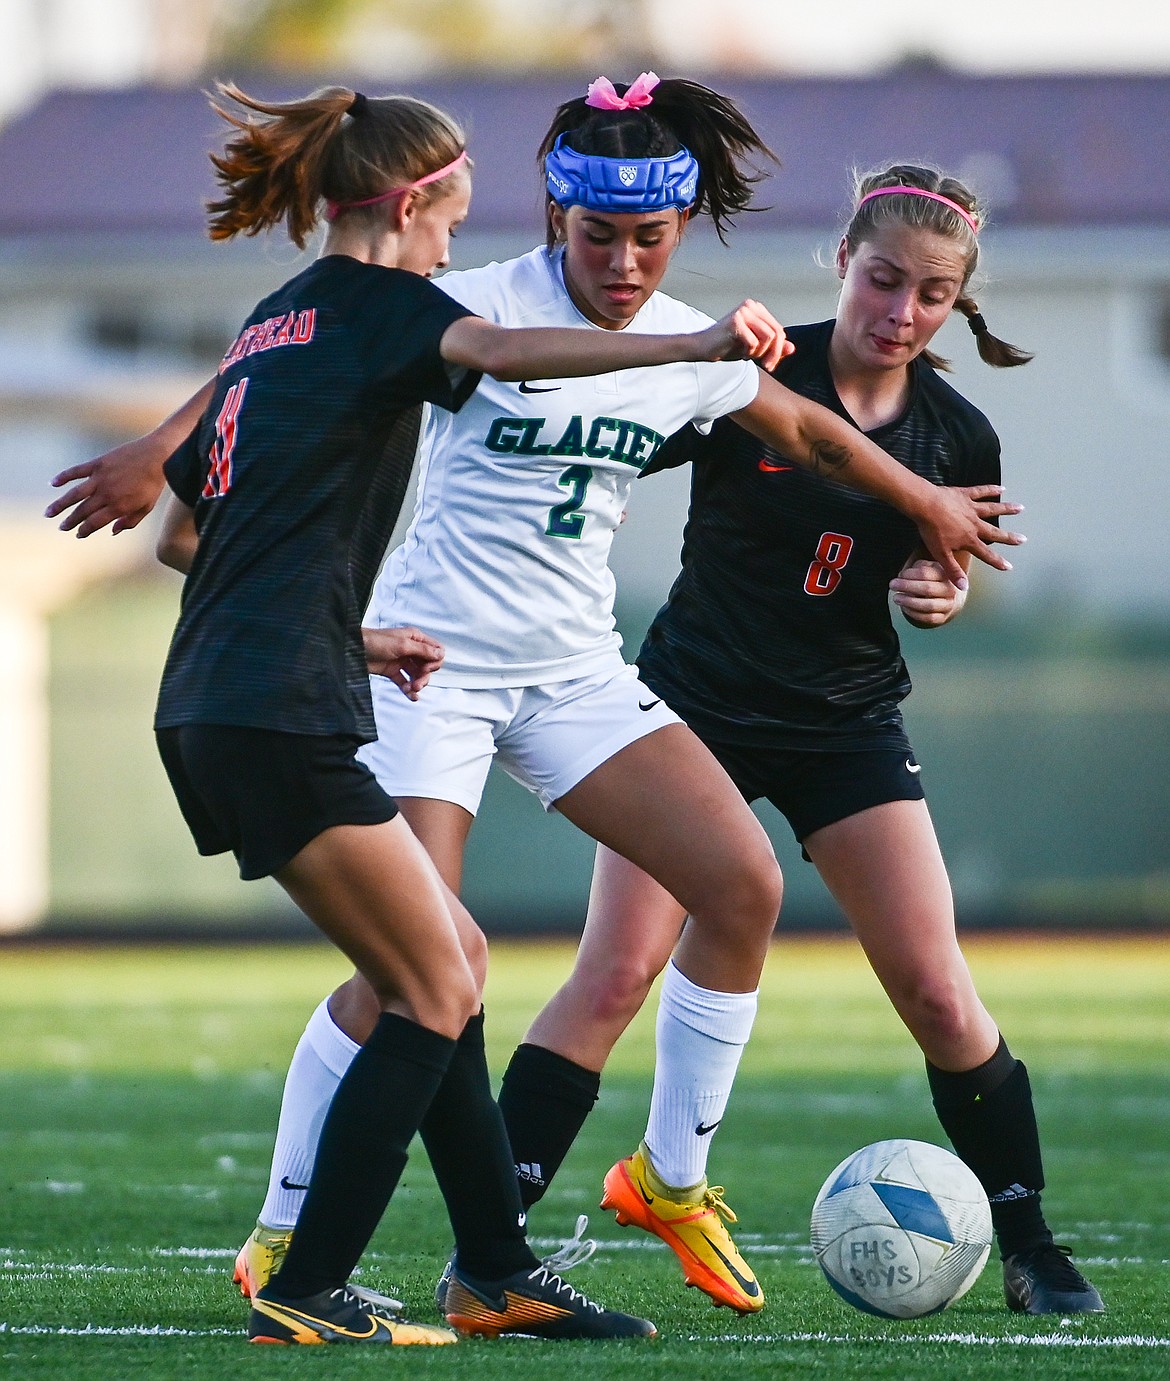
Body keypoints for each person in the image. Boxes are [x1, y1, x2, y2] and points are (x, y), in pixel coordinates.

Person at [47, 77, 1022, 1321]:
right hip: (430, 664)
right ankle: (285, 1228)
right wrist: (161, 446)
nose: (623, 262)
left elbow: (816, 436)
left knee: (742, 885)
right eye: (597, 234)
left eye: (648, 240)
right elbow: (294, 345)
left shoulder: (691, 341)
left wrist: (925, 503)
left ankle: (664, 1184)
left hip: (573, 671)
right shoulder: (469, 301)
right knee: (410, 968)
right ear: (553, 216)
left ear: (679, 234)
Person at [124, 76, 802, 1347]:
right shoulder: (399, 307)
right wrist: (688, 345)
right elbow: (500, 351)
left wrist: (356, 628)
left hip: (255, 689)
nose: (456, 253)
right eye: (452, 219)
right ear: (412, 202)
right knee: (433, 983)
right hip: (280, 706)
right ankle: (310, 1278)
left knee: (446, 969)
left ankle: (489, 1266)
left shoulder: (280, 318)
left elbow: (183, 531)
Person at [511, 164, 1102, 1317]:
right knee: (617, 969)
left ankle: (1031, 1241)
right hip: (690, 713)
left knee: (937, 989)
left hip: (845, 722)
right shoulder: (755, 369)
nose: (901, 310)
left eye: (932, 295)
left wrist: (942, 595)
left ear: (953, 303)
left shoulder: (957, 430)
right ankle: (497, 1238)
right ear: (843, 259)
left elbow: (944, 571)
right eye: (884, 279)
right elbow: (614, 433)